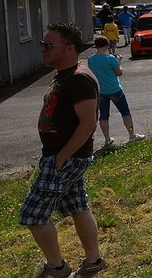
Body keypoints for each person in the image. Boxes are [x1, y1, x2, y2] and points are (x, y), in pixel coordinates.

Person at [21, 22, 108, 278]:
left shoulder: (79, 79)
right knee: (78, 207)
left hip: (65, 158)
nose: (42, 49)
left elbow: (88, 123)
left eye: (48, 45)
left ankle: (57, 268)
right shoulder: (65, 74)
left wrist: (62, 157)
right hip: (65, 156)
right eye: (42, 44)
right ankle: (94, 261)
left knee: (33, 215)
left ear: (69, 49)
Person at [87, 35, 145, 147]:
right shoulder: (110, 58)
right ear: (107, 45)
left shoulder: (91, 59)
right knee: (125, 112)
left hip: (101, 90)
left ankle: (107, 139)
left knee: (104, 115)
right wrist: (119, 62)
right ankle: (132, 135)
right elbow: (119, 72)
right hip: (114, 89)